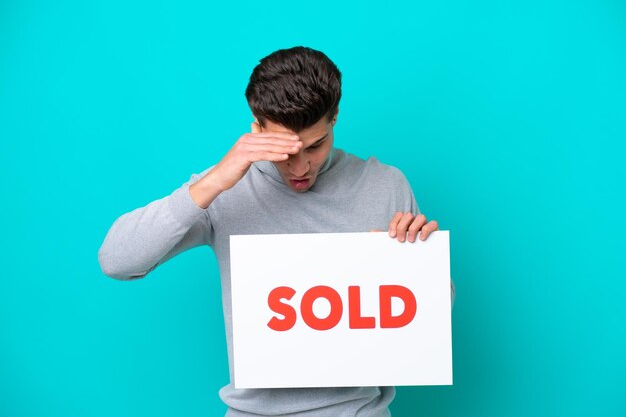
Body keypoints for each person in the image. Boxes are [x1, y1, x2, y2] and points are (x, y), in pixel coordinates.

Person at [98, 46, 455, 417]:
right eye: (285, 150)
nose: (300, 167)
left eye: (315, 146)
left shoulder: (384, 184)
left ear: (334, 118)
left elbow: (433, 317)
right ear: (257, 127)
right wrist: (213, 181)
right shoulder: (225, 189)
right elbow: (117, 260)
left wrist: (414, 264)